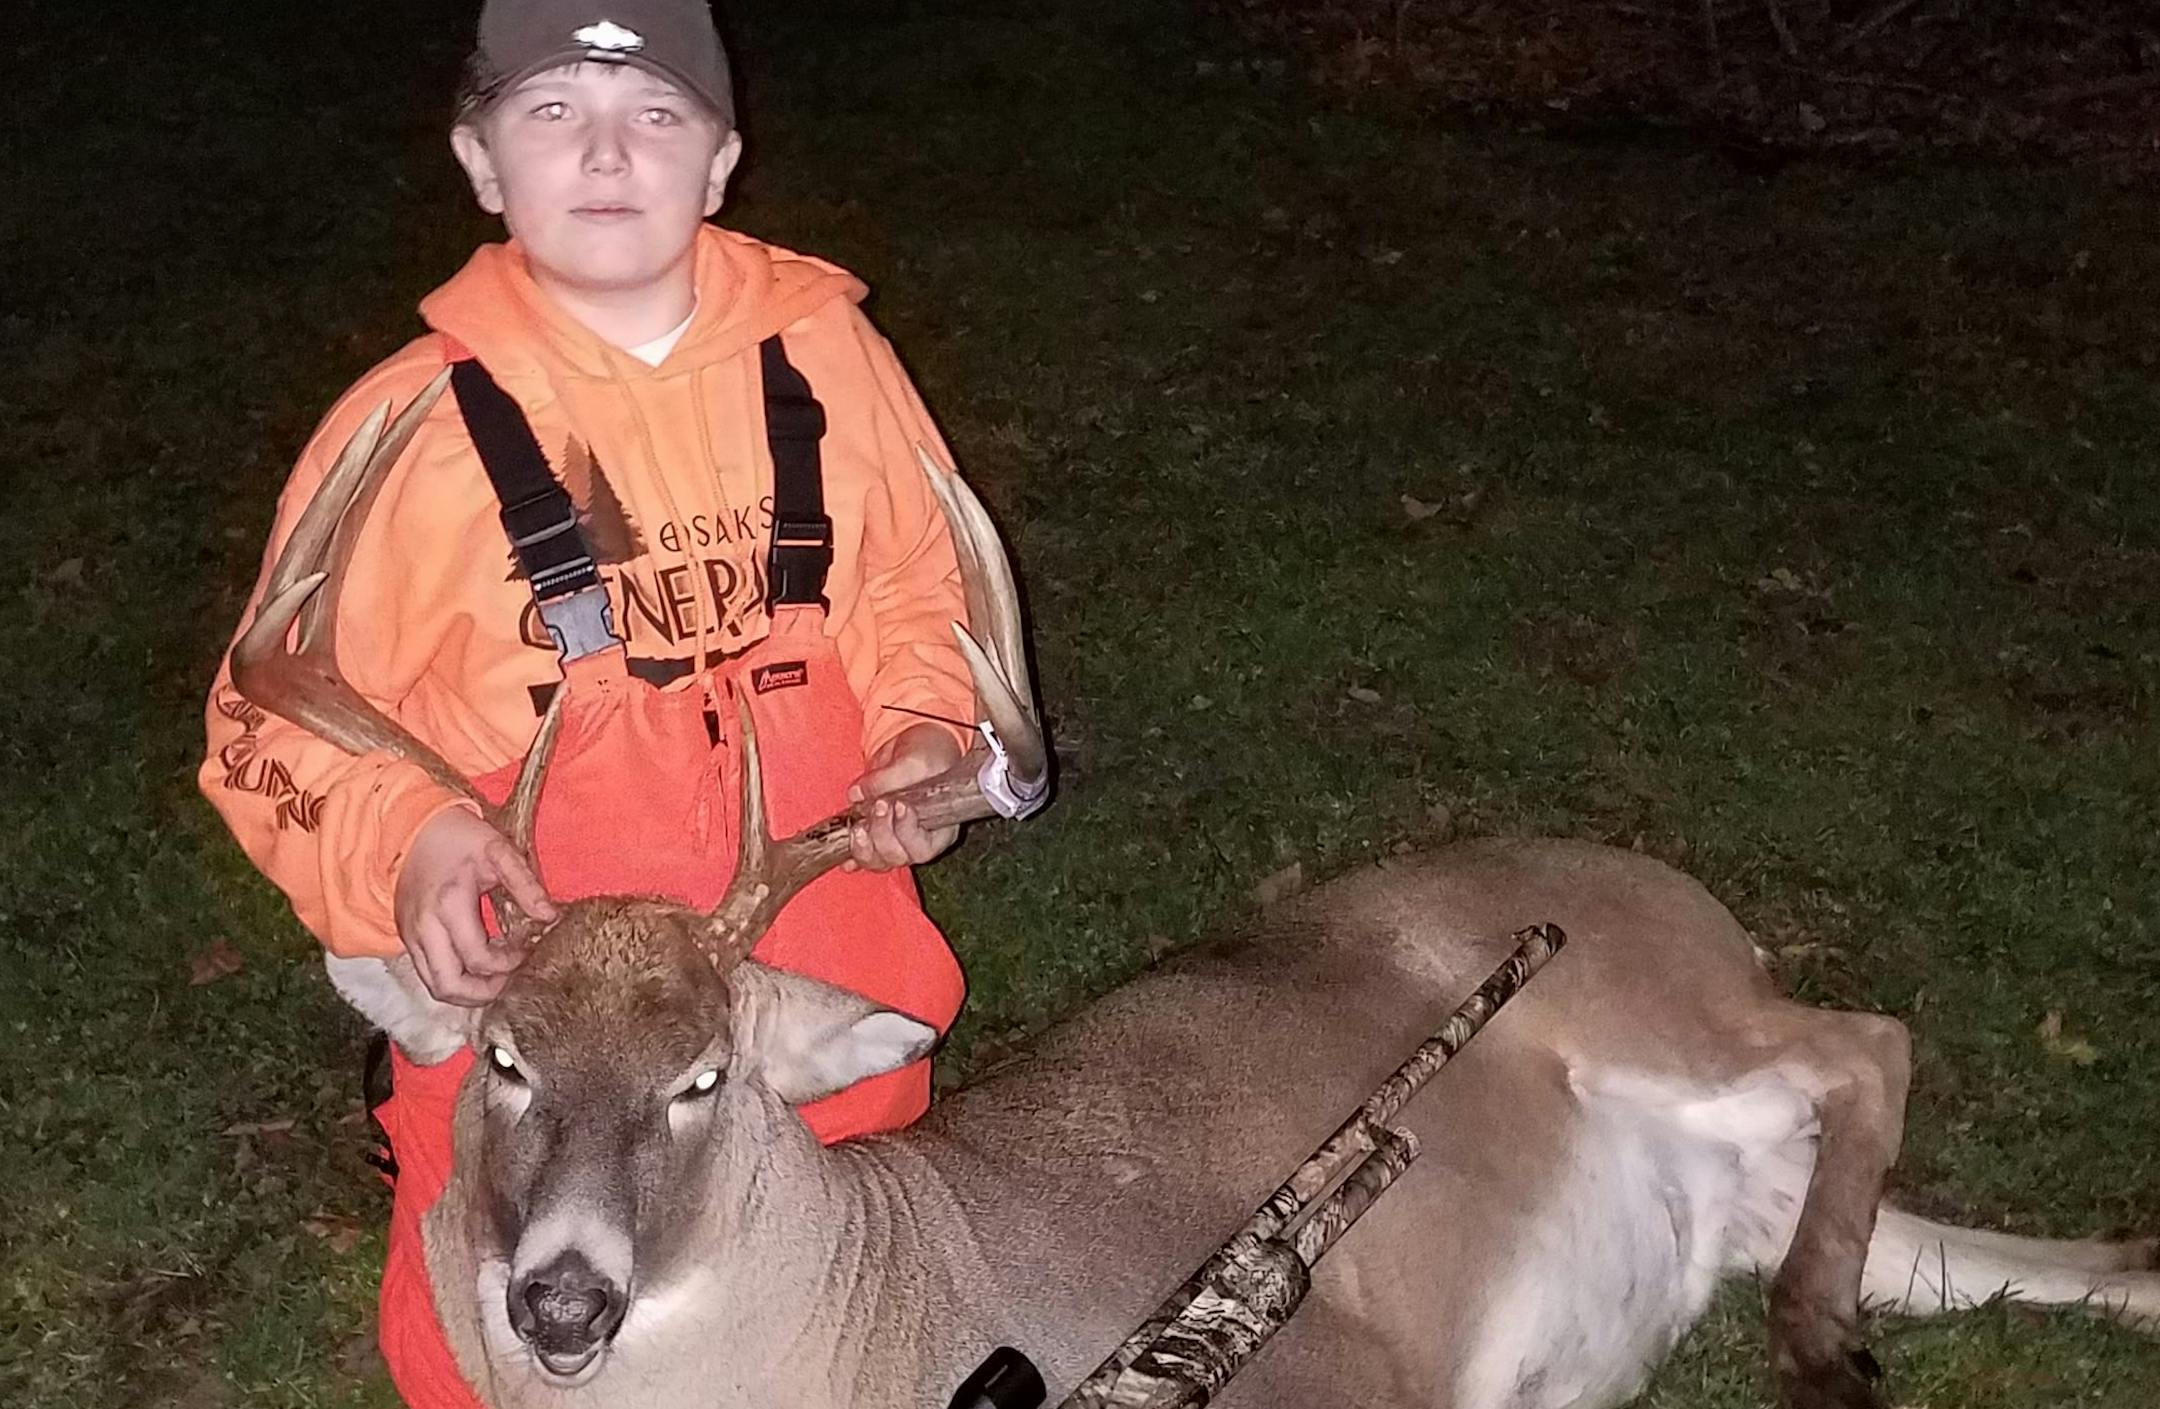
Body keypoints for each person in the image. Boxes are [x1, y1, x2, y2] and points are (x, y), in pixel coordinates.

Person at [197, 2, 978, 1403]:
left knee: (847, 1308)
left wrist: (928, 722)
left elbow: (922, 588)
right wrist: (408, 839)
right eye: (554, 113)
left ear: (724, 161)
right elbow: (268, 719)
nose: (608, 154)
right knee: (502, 1337)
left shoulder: (827, 361)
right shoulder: (409, 433)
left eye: (656, 117)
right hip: (528, 1006)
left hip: (793, 971)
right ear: (481, 161)